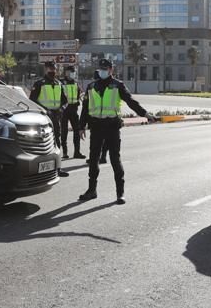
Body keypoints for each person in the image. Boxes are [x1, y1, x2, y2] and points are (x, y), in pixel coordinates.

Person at [79, 58, 154, 205]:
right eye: (101, 69)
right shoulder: (91, 86)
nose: (102, 71)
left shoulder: (117, 85)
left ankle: (120, 193)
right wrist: (81, 126)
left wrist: (145, 114)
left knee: (115, 159)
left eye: (105, 69)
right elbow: (86, 108)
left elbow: (131, 101)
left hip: (112, 127)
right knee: (93, 159)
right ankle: (91, 190)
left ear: (110, 70)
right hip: (96, 127)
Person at [29, 61, 70, 177]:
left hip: (56, 117)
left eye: (54, 69)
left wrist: (61, 109)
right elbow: (32, 100)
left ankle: (58, 168)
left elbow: (65, 101)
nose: (53, 71)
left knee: (57, 142)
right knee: (42, 143)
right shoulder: (39, 84)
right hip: (43, 118)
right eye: (50, 69)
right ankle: (39, 169)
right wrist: (45, 110)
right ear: (45, 69)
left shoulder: (59, 84)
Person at [61, 66, 86, 159]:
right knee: (64, 132)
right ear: (66, 72)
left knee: (77, 131)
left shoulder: (76, 83)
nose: (73, 73)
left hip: (74, 109)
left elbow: (79, 94)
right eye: (71, 71)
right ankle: (65, 153)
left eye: (74, 72)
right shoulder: (61, 83)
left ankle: (77, 152)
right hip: (64, 110)